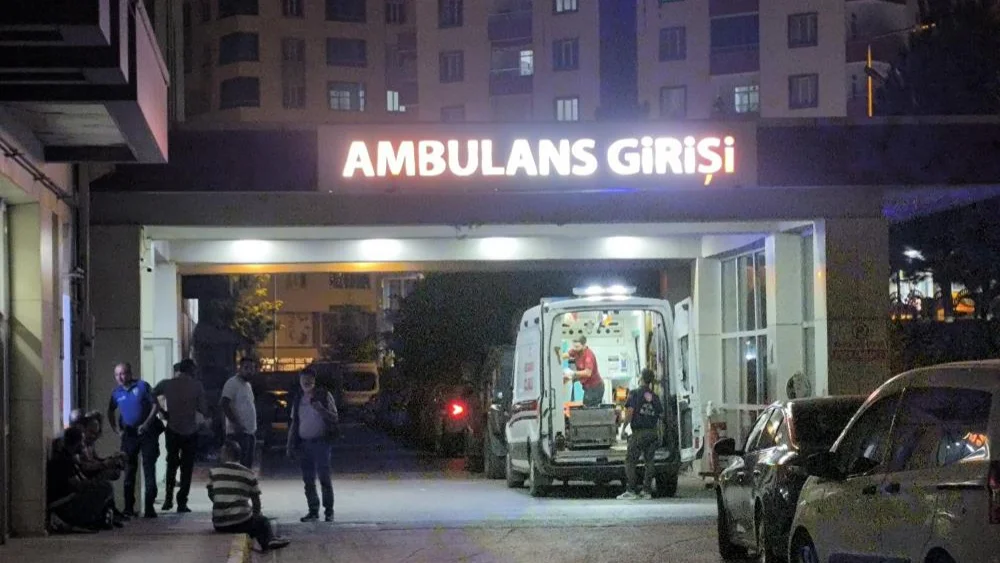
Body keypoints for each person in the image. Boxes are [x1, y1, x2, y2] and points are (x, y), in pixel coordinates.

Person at [207, 441, 290, 552]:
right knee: (262, 521)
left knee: (253, 521)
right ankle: (268, 541)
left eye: (221, 453)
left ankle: (269, 539)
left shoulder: (214, 472)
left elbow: (211, 494)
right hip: (240, 523)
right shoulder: (248, 474)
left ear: (226, 454)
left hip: (219, 524)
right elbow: (256, 502)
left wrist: (222, 503)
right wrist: (256, 515)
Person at [107, 362, 161, 518]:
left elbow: (155, 405)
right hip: (129, 435)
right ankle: (129, 507)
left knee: (149, 468)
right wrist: (116, 430)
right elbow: (110, 411)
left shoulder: (142, 386)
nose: (120, 377)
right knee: (129, 470)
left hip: (147, 433)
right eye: (117, 375)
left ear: (130, 373)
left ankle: (149, 506)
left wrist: (146, 424)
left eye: (123, 373)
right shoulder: (116, 393)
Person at [154, 358, 208, 512]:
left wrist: (162, 411)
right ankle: (182, 502)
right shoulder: (197, 386)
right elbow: (203, 408)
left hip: (172, 428)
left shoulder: (167, 384)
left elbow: (150, 395)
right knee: (187, 467)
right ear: (191, 370)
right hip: (190, 430)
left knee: (171, 464)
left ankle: (168, 499)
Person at [286, 368, 339, 523]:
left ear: (314, 381)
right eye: (304, 380)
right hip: (304, 444)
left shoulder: (324, 396)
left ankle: (329, 511)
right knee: (308, 480)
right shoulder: (298, 398)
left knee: (324, 478)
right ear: (300, 381)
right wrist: (289, 444)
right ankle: (313, 511)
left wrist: (321, 409)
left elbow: (335, 417)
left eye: (309, 379)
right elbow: (294, 423)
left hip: (321, 443)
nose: (306, 382)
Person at [48, 426, 117, 533]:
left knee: (104, 486)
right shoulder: (64, 461)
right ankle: (80, 521)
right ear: (77, 443)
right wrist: (100, 478)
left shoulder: (71, 459)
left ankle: (100, 518)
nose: (84, 445)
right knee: (105, 488)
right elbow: (79, 486)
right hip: (63, 504)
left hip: (69, 499)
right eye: (82, 441)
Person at [618, 368, 664, 500]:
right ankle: (646, 491)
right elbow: (661, 415)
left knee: (630, 461)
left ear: (641, 378)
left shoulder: (635, 393)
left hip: (639, 433)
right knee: (649, 461)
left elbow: (630, 412)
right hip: (652, 432)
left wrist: (623, 428)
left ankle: (631, 490)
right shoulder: (654, 396)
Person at [221, 357, 258, 469]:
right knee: (238, 467)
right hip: (238, 432)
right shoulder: (232, 383)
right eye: (246, 368)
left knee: (247, 467)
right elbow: (224, 404)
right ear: (239, 368)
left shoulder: (248, 385)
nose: (249, 371)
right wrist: (235, 424)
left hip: (250, 432)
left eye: (252, 368)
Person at [559, 336, 605, 407]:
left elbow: (588, 373)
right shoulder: (576, 351)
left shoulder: (588, 356)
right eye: (574, 346)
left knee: (589, 408)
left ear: (584, 345)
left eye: (577, 347)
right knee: (586, 406)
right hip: (587, 386)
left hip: (595, 387)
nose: (575, 349)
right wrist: (557, 356)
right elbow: (566, 355)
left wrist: (572, 373)